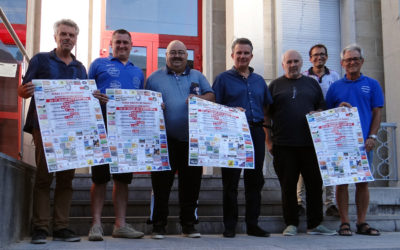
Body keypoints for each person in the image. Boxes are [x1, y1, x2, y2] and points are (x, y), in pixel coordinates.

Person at [17, 19, 86, 244]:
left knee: (67, 180)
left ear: (76, 39)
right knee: (44, 178)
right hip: (44, 128)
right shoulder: (40, 60)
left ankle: (62, 227)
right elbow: (23, 90)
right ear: (55, 36)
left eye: (71, 35)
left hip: (72, 132)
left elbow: (84, 99)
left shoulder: (80, 68)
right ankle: (40, 227)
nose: (67, 38)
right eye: (63, 34)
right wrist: (23, 91)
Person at [145, 40, 215, 239]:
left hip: (191, 140)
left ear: (187, 56)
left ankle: (189, 225)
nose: (177, 56)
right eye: (172, 52)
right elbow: (144, 102)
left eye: (181, 53)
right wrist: (153, 105)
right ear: (166, 55)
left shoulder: (197, 76)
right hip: (163, 141)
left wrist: (199, 99)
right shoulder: (153, 78)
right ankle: (158, 225)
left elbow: (211, 95)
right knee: (160, 186)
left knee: (191, 185)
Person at [265, 50, 336, 236]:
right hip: (284, 144)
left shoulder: (312, 84)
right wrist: (268, 140)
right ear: (283, 65)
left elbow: (321, 107)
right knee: (288, 186)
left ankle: (315, 224)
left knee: (314, 184)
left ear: (302, 63)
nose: (293, 64)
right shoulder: (275, 85)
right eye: (289, 61)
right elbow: (266, 115)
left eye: (296, 61)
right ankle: (291, 224)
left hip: (311, 145)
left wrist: (318, 113)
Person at [87, 29, 145, 241]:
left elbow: (141, 104)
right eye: (118, 42)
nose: (121, 46)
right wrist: (93, 96)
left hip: (126, 134)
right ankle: (96, 224)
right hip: (101, 129)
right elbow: (84, 92)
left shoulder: (138, 72)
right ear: (111, 44)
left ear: (131, 45)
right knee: (99, 178)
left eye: (125, 43)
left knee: (123, 180)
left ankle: (120, 224)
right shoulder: (98, 64)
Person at [212, 38, 272, 238]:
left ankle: (252, 224)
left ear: (251, 56)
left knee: (255, 181)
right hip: (232, 134)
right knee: (230, 182)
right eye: (239, 53)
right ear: (232, 55)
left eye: (246, 53)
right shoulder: (222, 79)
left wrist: (267, 136)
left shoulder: (259, 80)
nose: (242, 56)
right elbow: (214, 109)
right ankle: (230, 226)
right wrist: (231, 112)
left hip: (255, 132)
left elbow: (266, 108)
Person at [325, 44, 384, 236]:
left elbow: (377, 113)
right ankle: (344, 222)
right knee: (341, 182)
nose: (352, 62)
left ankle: (361, 222)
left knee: (362, 183)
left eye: (355, 59)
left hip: (364, 144)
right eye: (348, 59)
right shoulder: (335, 87)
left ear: (362, 61)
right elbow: (326, 115)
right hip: (341, 144)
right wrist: (337, 109)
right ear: (342, 63)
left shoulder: (373, 84)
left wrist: (372, 137)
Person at [297, 44, 341, 217]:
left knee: (329, 166)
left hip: (328, 127)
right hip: (307, 128)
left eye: (322, 54)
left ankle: (330, 203)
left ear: (327, 57)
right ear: (310, 58)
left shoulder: (335, 76)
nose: (319, 57)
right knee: (302, 166)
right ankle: (300, 202)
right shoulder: (303, 76)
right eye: (315, 55)